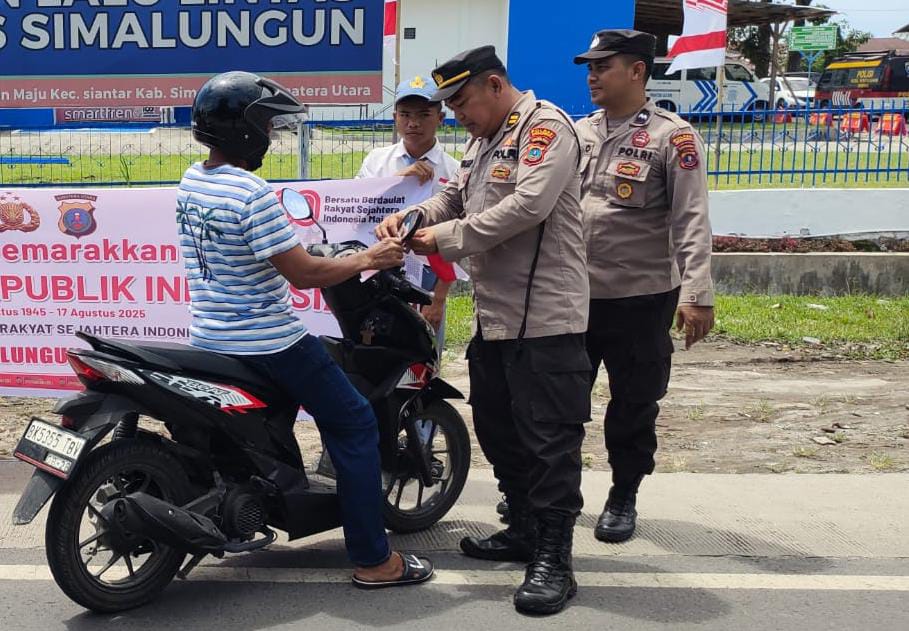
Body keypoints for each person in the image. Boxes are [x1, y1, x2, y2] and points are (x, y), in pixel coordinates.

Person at [178, 70, 433, 588]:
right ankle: (374, 560)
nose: (271, 138)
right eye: (268, 128)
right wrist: (370, 258)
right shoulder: (250, 193)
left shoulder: (192, 179)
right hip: (269, 342)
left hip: (209, 337)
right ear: (246, 130)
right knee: (355, 422)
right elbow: (305, 273)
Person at [376, 47, 590, 615]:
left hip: (546, 317)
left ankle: (555, 559)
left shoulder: (545, 128)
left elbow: (528, 205)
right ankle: (522, 527)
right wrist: (415, 216)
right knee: (498, 428)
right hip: (496, 316)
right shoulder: (484, 139)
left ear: (495, 85)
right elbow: (456, 195)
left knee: (550, 440)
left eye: (462, 102)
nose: (457, 115)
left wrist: (446, 239)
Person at [575, 30, 715, 542]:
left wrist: (697, 294)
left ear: (637, 71)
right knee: (560, 401)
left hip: (640, 298)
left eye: (603, 66)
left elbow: (691, 218)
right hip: (574, 296)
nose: (592, 76)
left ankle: (623, 494)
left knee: (633, 405)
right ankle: (555, 494)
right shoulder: (578, 132)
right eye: (589, 68)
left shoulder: (672, 137)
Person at [356, 75, 459, 345]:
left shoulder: (454, 171)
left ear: (440, 118)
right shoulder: (377, 162)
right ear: (395, 117)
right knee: (375, 349)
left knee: (425, 349)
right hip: (379, 268)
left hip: (430, 274)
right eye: (405, 115)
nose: (413, 123)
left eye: (424, 115)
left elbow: (455, 235)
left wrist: (438, 298)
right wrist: (399, 180)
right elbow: (356, 212)